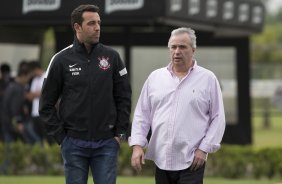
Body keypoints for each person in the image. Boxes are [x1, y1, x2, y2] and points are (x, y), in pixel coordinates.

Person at [39, 4, 131, 184]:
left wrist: (119, 134)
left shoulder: (112, 57)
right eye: (91, 23)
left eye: (98, 23)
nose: (97, 27)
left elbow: (124, 97)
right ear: (77, 27)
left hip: (107, 143)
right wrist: (62, 138)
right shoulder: (60, 60)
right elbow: (46, 105)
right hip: (73, 143)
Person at [129, 27, 225, 184]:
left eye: (182, 47)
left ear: (193, 50)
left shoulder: (208, 79)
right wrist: (137, 146)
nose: (177, 51)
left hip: (192, 159)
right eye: (173, 47)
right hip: (161, 160)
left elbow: (218, 118)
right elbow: (142, 115)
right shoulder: (155, 78)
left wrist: (203, 149)